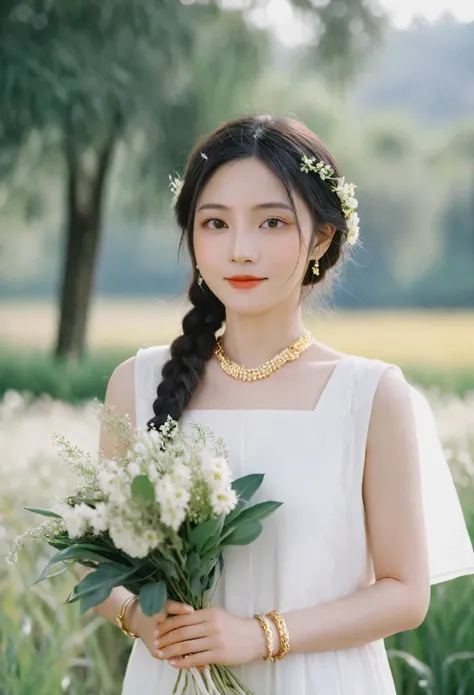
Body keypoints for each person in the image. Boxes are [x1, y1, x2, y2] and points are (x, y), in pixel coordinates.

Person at [89, 114, 474, 695]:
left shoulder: (368, 396)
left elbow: (404, 593)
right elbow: (98, 560)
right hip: (177, 679)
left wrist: (261, 636)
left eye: (271, 222)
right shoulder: (138, 384)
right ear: (192, 237)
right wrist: (139, 618)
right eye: (215, 223)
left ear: (321, 237)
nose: (241, 250)